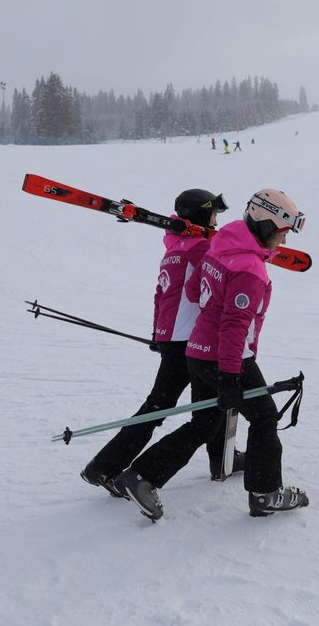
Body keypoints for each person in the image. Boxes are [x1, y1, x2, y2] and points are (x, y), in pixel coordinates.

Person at [116, 189, 309, 520]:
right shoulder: (250, 268)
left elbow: (194, 292)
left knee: (205, 421)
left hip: (198, 352)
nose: (283, 241)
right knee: (264, 418)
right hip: (227, 357)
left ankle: (142, 476)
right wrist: (232, 375)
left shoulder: (221, 244)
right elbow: (234, 326)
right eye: (281, 231)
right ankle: (265, 493)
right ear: (265, 225)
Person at [80, 189, 243, 496]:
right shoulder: (200, 250)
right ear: (200, 216)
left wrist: (160, 335)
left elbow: (161, 296)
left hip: (174, 338)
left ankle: (104, 467)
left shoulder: (174, 249)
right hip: (192, 342)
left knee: (166, 405)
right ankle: (123, 469)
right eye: (214, 215)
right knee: (208, 409)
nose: (217, 220)